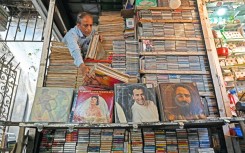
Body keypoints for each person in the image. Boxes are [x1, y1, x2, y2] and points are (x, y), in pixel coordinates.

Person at [62, 12, 96, 76]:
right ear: (78, 25)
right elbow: (75, 50)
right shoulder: (71, 35)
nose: (89, 28)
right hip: (68, 65)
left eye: (90, 25)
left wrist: (98, 36)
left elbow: (95, 32)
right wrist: (82, 67)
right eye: (86, 25)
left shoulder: (91, 31)